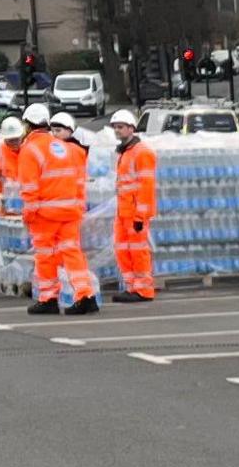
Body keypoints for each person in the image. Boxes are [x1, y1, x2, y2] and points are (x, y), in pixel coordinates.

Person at [17, 111, 96, 317]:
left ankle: (48, 298)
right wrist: (78, 207)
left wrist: (28, 215)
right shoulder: (64, 147)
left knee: (45, 256)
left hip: (45, 214)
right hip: (69, 211)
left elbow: (30, 188)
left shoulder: (30, 150)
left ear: (28, 125)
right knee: (73, 254)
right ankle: (85, 295)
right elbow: (78, 181)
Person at [103, 108, 157, 304]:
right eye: (115, 127)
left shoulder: (142, 153)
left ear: (131, 128)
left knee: (137, 251)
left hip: (135, 213)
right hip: (123, 212)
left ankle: (143, 289)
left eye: (121, 127)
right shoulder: (125, 153)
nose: (117, 131)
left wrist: (140, 216)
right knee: (122, 250)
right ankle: (132, 287)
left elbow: (146, 186)